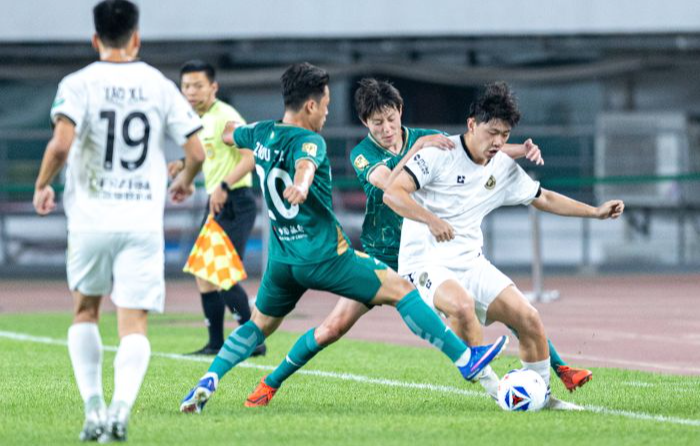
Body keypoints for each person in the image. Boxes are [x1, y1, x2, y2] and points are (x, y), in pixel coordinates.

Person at [179, 62, 508, 414]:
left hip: (283, 260)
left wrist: (238, 132)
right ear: (310, 105)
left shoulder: (261, 133)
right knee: (401, 292)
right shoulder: (312, 142)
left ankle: (209, 380)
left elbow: (230, 133)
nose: (326, 112)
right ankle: (466, 359)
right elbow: (306, 166)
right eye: (325, 104)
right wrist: (301, 185)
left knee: (260, 325)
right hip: (326, 257)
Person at [243, 78, 550, 408]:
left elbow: (475, 146)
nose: (387, 129)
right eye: (377, 123)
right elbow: (390, 184)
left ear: (401, 111)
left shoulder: (424, 136)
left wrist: (521, 150)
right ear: (365, 122)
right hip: (382, 259)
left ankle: (525, 382)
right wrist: (417, 150)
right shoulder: (363, 154)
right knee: (332, 328)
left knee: (502, 306)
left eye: (391, 119)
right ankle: (270, 382)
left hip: (427, 257)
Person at [383, 81, 624, 406]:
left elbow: (544, 198)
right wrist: (431, 220)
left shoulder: (503, 168)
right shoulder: (439, 154)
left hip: (470, 262)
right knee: (462, 306)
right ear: (472, 124)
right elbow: (392, 193)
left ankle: (542, 398)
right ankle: (498, 392)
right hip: (425, 262)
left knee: (529, 318)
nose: (498, 141)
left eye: (505, 135)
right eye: (492, 132)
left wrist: (595, 212)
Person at [32, 0, 205, 441]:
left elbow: (60, 145)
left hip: (90, 219)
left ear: (95, 39)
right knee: (134, 321)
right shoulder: (158, 84)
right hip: (140, 221)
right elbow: (196, 151)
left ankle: (93, 408)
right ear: (136, 38)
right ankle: (120, 410)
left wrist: (42, 184)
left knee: (85, 311)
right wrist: (184, 181)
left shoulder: (78, 83)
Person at [168, 60, 265, 357]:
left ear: (213, 87)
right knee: (204, 273)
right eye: (186, 86)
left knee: (222, 274)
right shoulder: (199, 119)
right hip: (218, 202)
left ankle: (254, 340)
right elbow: (211, 155)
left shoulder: (226, 117)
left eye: (198, 86)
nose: (191, 92)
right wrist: (183, 166)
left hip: (236, 201)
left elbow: (250, 157)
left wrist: (224, 185)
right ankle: (215, 343)